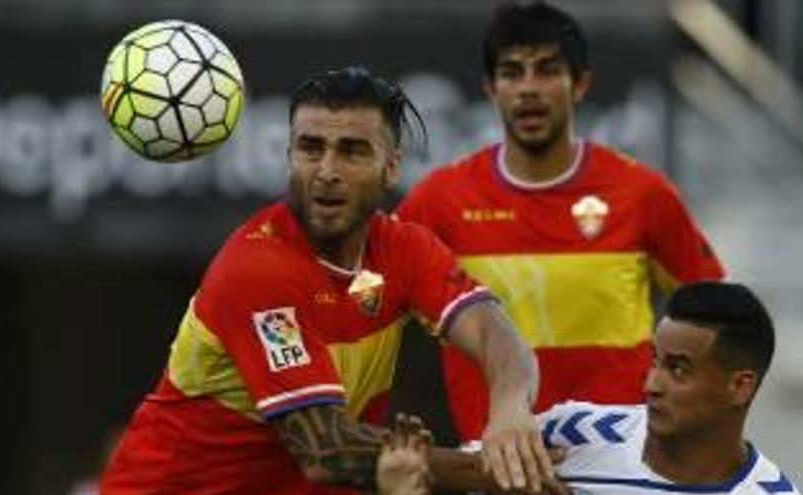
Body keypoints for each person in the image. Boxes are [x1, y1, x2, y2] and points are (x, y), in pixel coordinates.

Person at [101, 67, 553, 494]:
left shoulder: (405, 248)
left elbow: (490, 325)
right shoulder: (256, 269)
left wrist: (511, 407)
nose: (327, 171)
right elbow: (326, 449)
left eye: (353, 151)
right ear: (289, 155)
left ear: (391, 167)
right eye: (311, 148)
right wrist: (498, 474)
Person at [396, 1, 725, 443]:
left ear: (580, 85)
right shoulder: (440, 200)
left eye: (548, 70)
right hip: (494, 463)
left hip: (621, 465)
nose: (529, 88)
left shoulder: (643, 193)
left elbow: (713, 312)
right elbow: (367, 297)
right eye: (512, 72)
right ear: (491, 89)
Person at [388, 282, 803, 495]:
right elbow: (448, 470)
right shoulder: (578, 431)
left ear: (740, 387)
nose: (651, 384)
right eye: (655, 361)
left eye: (678, 370)